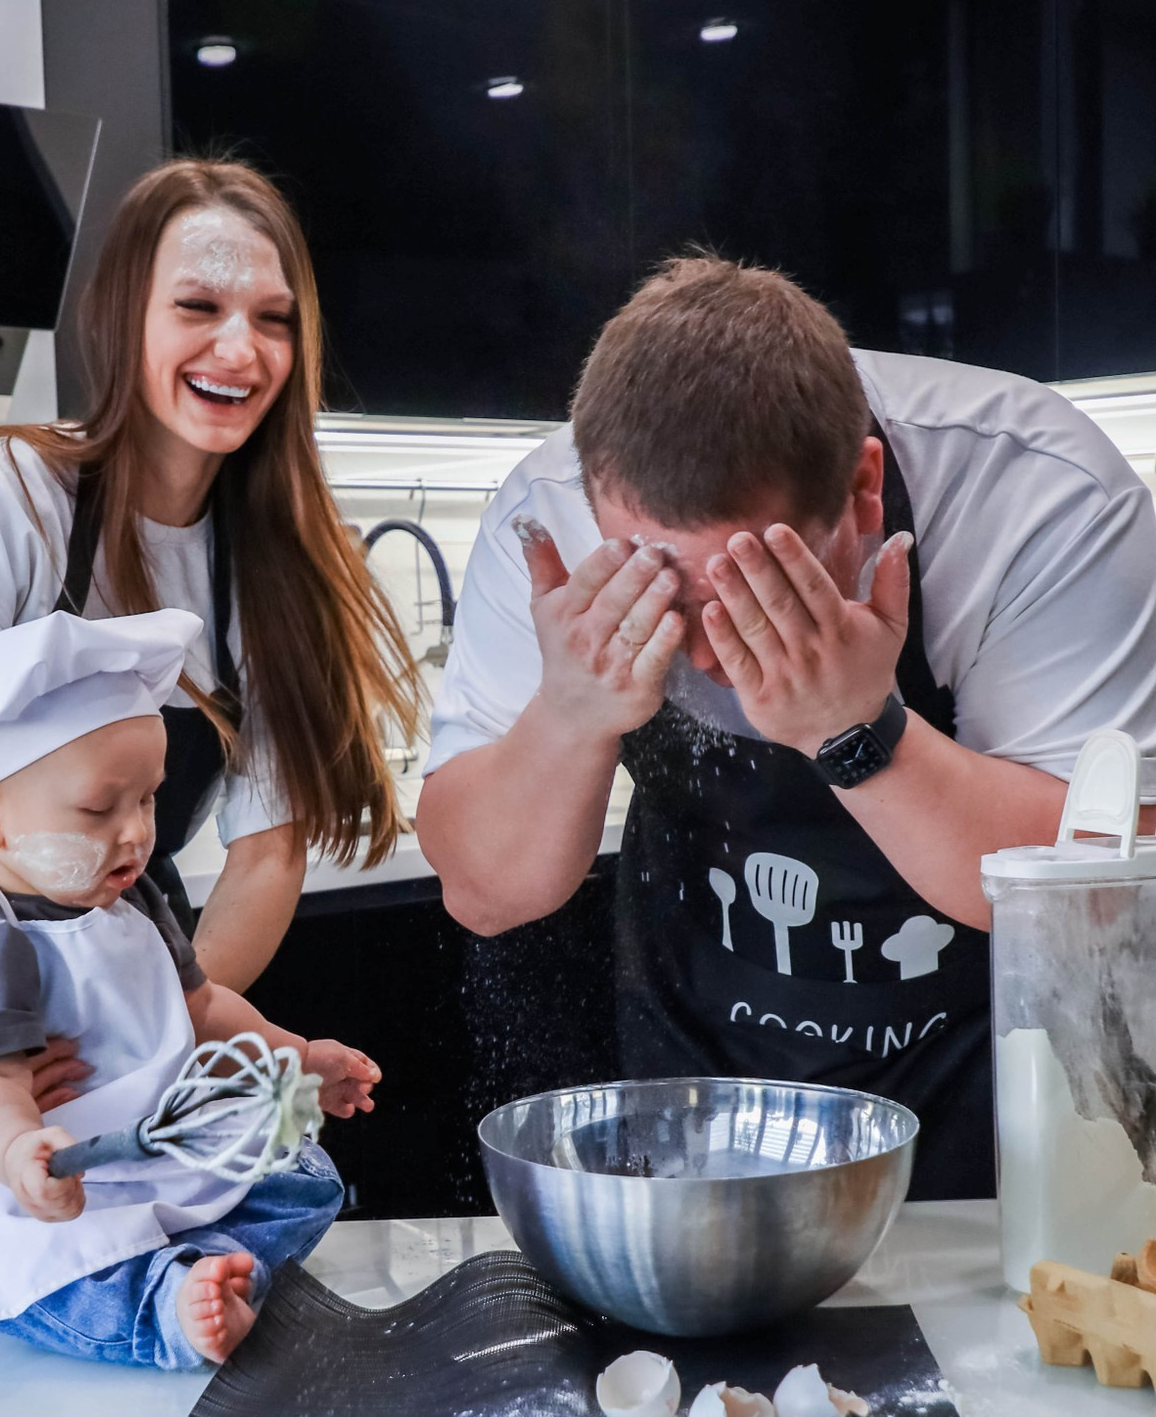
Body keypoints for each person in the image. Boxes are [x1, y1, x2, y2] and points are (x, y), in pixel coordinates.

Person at [416, 257, 1156, 1201]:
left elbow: (1103, 897)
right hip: (703, 1065)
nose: (708, 653)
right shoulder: (548, 516)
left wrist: (860, 733)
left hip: (1003, 1083)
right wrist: (569, 715)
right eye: (657, 600)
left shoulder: (1037, 496)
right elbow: (484, 894)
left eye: (758, 590)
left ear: (863, 487)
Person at [0, 157, 418, 1159]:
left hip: (125, 988)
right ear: (124, 318)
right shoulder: (9, 500)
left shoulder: (276, 564)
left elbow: (268, 853)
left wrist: (155, 1038)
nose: (239, 348)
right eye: (198, 306)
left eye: (273, 319)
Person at [0, 608, 375, 1366]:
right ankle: (163, 1310)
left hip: (154, 1148)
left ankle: (197, 1268)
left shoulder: (132, 897)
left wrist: (295, 1057)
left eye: (147, 800)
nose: (137, 832)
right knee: (43, 1268)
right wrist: (17, 1153)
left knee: (305, 1176)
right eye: (99, 808)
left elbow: (200, 1007)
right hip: (58, 1178)